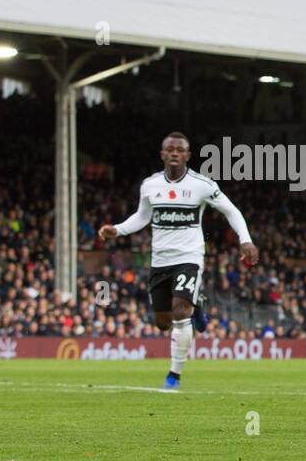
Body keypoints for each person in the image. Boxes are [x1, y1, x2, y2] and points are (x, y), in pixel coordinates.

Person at [98, 132, 258, 390]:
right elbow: (142, 217)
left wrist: (246, 240)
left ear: (187, 155)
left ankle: (174, 375)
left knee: (180, 312)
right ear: (162, 154)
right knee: (163, 322)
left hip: (189, 257)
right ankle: (199, 305)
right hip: (160, 260)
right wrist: (117, 229)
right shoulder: (150, 185)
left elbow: (231, 210)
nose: (174, 153)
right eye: (169, 149)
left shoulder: (202, 185)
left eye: (179, 150)